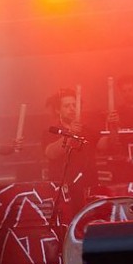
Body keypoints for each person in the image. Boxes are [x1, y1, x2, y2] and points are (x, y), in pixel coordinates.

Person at [41, 88, 100, 224]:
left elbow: (107, 146)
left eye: (74, 105)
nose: (72, 109)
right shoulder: (51, 131)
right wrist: (70, 134)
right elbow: (50, 153)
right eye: (67, 106)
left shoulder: (88, 130)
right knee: (66, 227)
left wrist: (112, 123)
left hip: (87, 189)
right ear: (57, 110)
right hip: (64, 191)